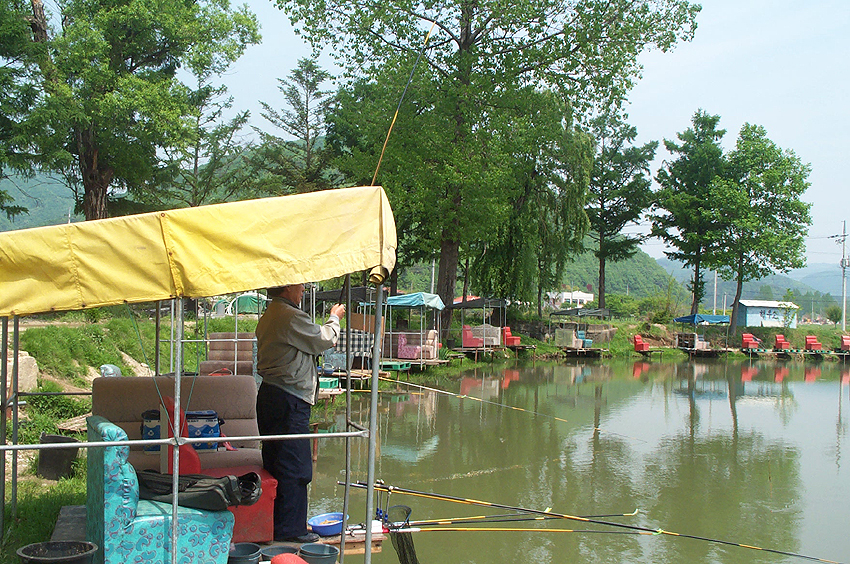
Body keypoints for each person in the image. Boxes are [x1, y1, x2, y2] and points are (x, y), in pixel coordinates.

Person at [255, 283, 345, 543]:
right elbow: (324, 340)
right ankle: (291, 531)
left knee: (276, 462)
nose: (303, 288)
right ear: (286, 287)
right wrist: (334, 317)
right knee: (295, 466)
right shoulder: (289, 316)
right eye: (299, 284)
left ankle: (278, 524)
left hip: (273, 395)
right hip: (288, 399)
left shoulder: (272, 314)